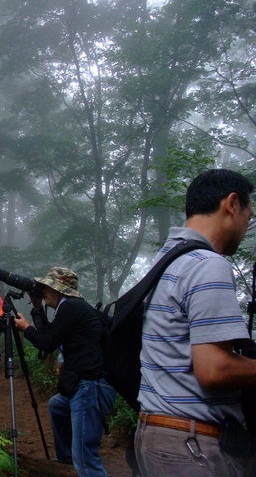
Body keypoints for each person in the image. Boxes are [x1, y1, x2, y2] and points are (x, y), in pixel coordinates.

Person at [134, 169, 256, 477]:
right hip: (190, 444)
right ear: (232, 203)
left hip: (158, 433)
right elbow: (215, 369)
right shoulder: (207, 265)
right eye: (248, 214)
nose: (246, 225)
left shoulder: (168, 259)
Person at [13, 267, 116, 477]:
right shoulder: (72, 307)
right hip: (87, 384)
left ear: (59, 289)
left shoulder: (70, 307)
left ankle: (78, 465)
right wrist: (37, 307)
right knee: (57, 406)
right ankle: (67, 465)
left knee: (87, 459)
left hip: (91, 386)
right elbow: (50, 335)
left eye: (47, 287)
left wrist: (26, 328)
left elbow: (48, 343)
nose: (43, 291)